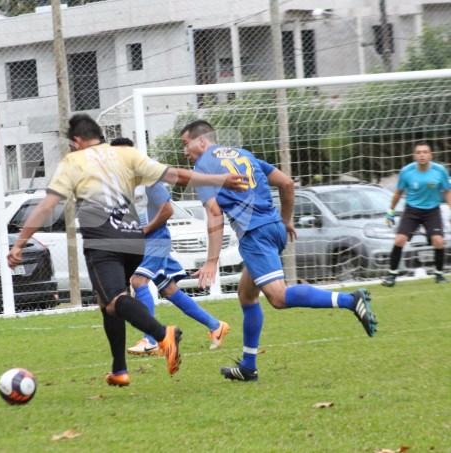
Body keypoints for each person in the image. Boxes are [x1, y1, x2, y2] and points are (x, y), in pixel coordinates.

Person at [7, 114, 249, 387]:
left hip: (103, 242)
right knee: (107, 305)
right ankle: (119, 370)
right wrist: (220, 179)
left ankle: (161, 334)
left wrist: (19, 243)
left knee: (114, 300)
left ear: (76, 141)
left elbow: (46, 206)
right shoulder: (126, 155)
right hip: (134, 241)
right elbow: (175, 175)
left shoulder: (74, 161)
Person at [180, 119, 378, 382]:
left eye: (186, 144)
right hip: (273, 228)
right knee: (247, 296)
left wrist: (212, 261)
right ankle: (248, 367)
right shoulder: (245, 154)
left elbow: (214, 212)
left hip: (256, 235)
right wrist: (285, 220)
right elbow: (286, 183)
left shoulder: (203, 167)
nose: (185, 151)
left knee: (278, 298)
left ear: (201, 141)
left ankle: (351, 300)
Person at [109, 137, 230, 355]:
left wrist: (145, 230)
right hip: (143, 242)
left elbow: (168, 210)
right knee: (168, 289)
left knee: (138, 281)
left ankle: (151, 340)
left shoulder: (148, 178)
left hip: (155, 240)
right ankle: (216, 325)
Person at [382, 142, 451, 287]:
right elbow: (398, 193)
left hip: (432, 210)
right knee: (399, 240)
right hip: (412, 210)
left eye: (425, 152)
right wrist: (390, 212)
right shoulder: (406, 172)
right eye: (419, 152)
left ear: (430, 155)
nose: (422, 155)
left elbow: (447, 191)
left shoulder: (440, 171)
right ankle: (391, 275)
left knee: (438, 241)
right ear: (414, 156)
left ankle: (439, 274)